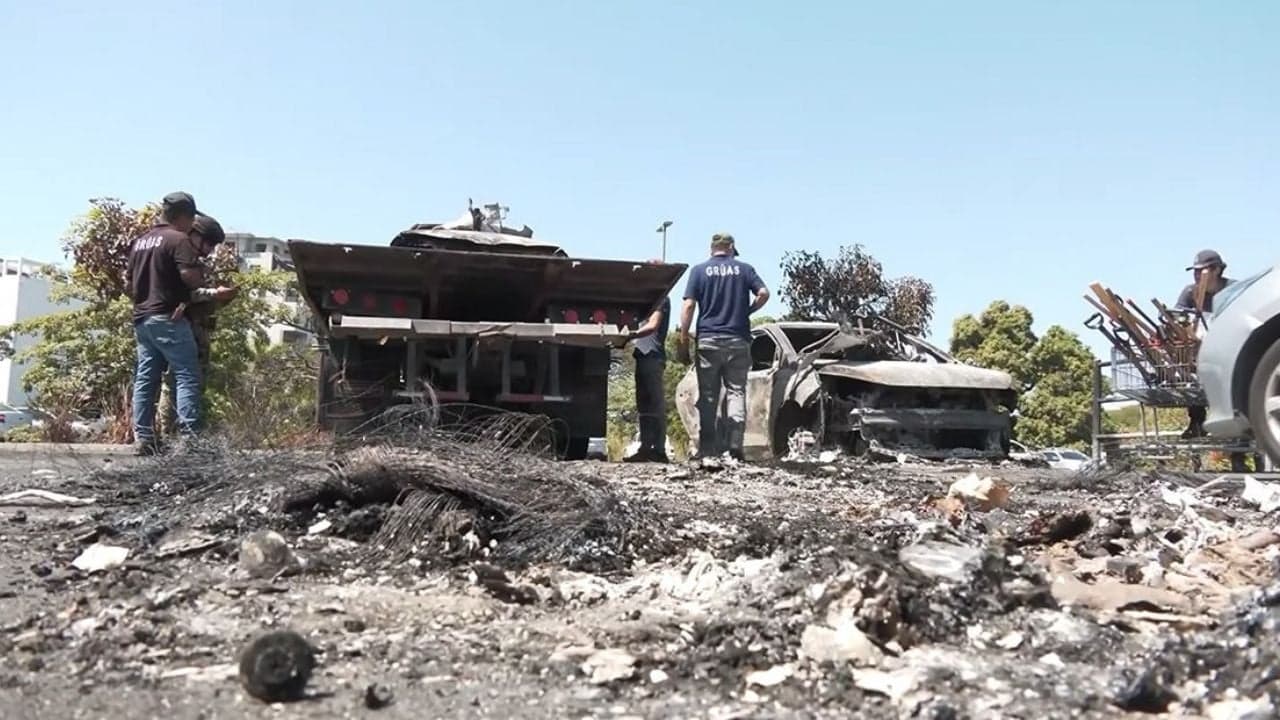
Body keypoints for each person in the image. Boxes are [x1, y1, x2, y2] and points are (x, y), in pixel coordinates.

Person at [125, 191, 208, 454]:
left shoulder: (140, 242)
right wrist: (200, 278)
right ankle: (189, 440)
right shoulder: (178, 239)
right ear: (184, 216)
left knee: (145, 378)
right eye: (191, 219)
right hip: (169, 318)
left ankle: (143, 438)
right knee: (187, 375)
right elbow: (189, 277)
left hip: (143, 319)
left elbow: (129, 284)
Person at [676, 232, 769, 461]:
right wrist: (748, 311)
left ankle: (708, 448)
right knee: (736, 392)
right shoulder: (745, 269)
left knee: (708, 396)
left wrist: (683, 338)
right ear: (731, 247)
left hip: (708, 340)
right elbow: (764, 293)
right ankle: (735, 447)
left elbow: (688, 306)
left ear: (712, 248)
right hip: (738, 339)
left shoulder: (699, 271)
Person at [158, 213, 238, 436]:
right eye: (208, 243)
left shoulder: (196, 263)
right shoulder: (178, 258)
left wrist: (221, 298)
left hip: (198, 330)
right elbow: (180, 294)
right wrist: (213, 294)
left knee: (192, 384)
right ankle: (171, 435)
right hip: (180, 329)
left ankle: (182, 435)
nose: (209, 250)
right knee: (175, 383)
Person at [1175, 249, 1234, 439]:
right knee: (1188, 371)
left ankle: (1237, 439)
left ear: (1216, 270)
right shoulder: (1190, 292)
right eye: (1195, 271)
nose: (1197, 275)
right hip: (1198, 351)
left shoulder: (1234, 290)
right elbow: (1176, 317)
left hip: (1228, 349)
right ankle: (1197, 422)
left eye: (1201, 270)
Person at [625, 265, 671, 463]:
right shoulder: (647, 299)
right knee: (644, 405)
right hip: (642, 355)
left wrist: (629, 335)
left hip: (652, 355)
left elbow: (653, 325)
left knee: (655, 403)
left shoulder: (661, 299)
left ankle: (658, 449)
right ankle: (645, 447)